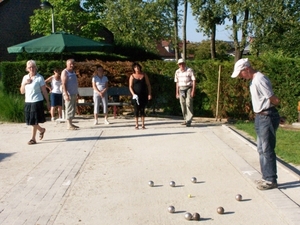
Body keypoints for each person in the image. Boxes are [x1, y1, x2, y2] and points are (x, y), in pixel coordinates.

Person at [231, 58, 281, 190]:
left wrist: (275, 108)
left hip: (267, 116)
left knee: (266, 148)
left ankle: (271, 180)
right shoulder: (253, 80)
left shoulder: (260, 79)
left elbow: (273, 98)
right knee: (261, 148)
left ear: (246, 69)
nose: (241, 76)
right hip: (260, 116)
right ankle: (266, 177)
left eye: (241, 73)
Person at [20, 60, 50, 145]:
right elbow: (22, 91)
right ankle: (41, 130)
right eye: (30, 67)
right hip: (28, 101)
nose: (32, 69)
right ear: (27, 69)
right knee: (30, 121)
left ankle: (33, 139)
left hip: (37, 100)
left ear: (36, 67)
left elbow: (44, 91)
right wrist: (25, 83)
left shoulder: (39, 78)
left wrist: (48, 102)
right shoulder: (25, 77)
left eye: (33, 67)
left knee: (34, 120)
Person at [129, 62, 152, 129]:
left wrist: (149, 93)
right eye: (135, 67)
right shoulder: (132, 76)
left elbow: (148, 85)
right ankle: (136, 124)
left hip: (143, 94)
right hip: (135, 95)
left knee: (142, 109)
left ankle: (143, 124)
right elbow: (130, 86)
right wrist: (133, 94)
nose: (137, 68)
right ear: (134, 68)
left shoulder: (144, 75)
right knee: (136, 109)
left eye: (138, 67)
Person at [174, 58, 196, 127]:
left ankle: (189, 120)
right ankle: (186, 119)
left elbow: (194, 80)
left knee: (188, 103)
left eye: (183, 64)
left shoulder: (189, 70)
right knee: (182, 103)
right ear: (178, 65)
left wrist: (193, 90)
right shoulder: (177, 72)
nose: (181, 65)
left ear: (185, 64)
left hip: (188, 87)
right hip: (181, 89)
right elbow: (177, 82)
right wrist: (176, 92)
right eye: (180, 64)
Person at [61, 59, 79, 130]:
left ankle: (71, 123)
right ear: (67, 64)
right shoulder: (65, 72)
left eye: (73, 64)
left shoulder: (73, 72)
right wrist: (66, 94)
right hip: (68, 93)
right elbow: (64, 84)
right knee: (69, 108)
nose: (72, 65)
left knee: (73, 108)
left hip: (74, 93)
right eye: (70, 64)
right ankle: (68, 125)